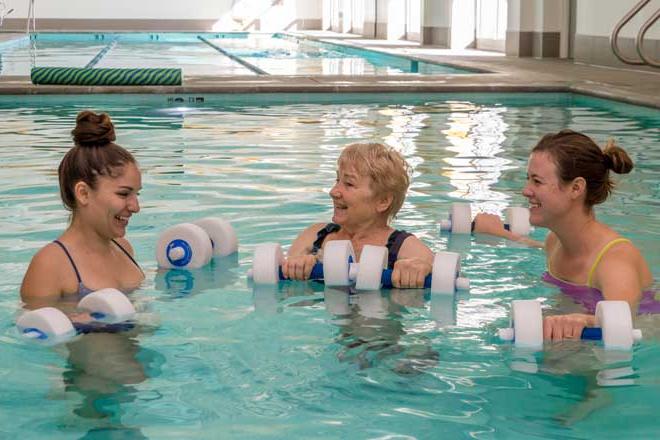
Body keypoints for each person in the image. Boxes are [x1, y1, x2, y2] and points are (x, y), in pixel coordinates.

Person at [474, 129, 655, 340]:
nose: (525, 190)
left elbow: (624, 320)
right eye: (528, 179)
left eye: (537, 181)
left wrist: (584, 320)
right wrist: (500, 233)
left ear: (576, 188)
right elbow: (538, 247)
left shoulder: (615, 263)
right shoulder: (555, 242)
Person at [20, 110, 144, 308]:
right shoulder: (50, 265)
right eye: (123, 194)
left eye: (137, 194)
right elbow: (33, 332)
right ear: (83, 193)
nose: (135, 207)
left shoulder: (124, 248)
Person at [282, 142, 434, 288]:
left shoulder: (403, 247)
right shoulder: (315, 237)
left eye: (348, 184)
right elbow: (287, 285)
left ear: (383, 201)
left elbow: (442, 272)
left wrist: (420, 268)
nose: (333, 192)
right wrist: (298, 265)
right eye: (337, 180)